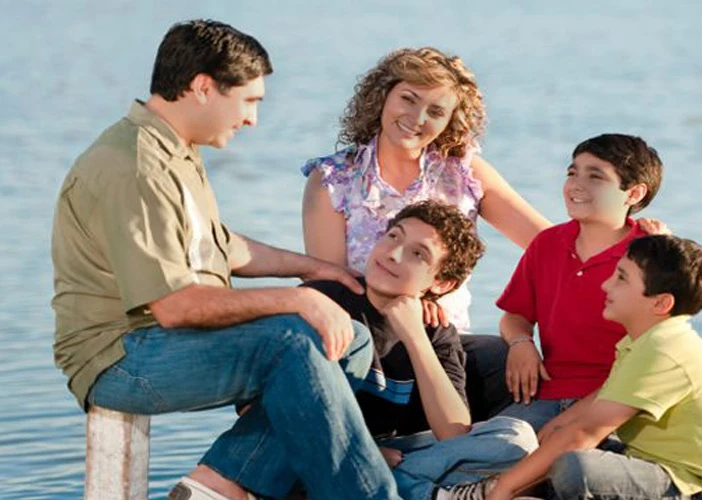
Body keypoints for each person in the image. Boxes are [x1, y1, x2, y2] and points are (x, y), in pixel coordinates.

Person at [50, 19, 399, 500]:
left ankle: (216, 486)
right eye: (249, 100)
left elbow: (219, 245)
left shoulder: (174, 149)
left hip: (157, 340)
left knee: (350, 340)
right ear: (203, 87)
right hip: (120, 357)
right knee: (292, 343)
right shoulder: (136, 165)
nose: (252, 119)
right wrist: (298, 300)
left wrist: (315, 269)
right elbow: (175, 306)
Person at [205, 201, 539, 500]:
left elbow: (452, 432)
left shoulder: (436, 331)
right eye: (393, 236)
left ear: (441, 283)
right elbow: (254, 410)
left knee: (516, 438)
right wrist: (358, 451)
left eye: (417, 254)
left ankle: (394, 487)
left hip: (394, 455)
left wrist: (415, 338)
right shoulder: (325, 300)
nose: (393, 254)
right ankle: (431, 494)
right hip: (317, 448)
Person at [301, 46, 552, 422]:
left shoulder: (465, 174)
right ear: (383, 95)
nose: (417, 118)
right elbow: (330, 283)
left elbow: (549, 245)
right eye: (408, 99)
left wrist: (632, 237)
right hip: (366, 342)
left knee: (504, 362)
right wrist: (409, 299)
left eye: (435, 111)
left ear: (450, 121)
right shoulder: (333, 179)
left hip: (444, 344)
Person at [454, 235, 702, 500]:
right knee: (551, 442)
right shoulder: (642, 341)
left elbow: (584, 432)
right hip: (652, 464)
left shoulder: (665, 350)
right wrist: (554, 430)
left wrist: (504, 488)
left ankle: (496, 491)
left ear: (661, 303)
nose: (605, 284)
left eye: (621, 278)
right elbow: (589, 409)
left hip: (694, 488)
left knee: (575, 467)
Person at [496, 133, 665, 433]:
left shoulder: (651, 252)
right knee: (498, 441)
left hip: (618, 404)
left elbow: (664, 345)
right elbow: (515, 315)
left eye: (595, 177)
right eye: (572, 173)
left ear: (634, 193)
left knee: (558, 455)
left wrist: (669, 255)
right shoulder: (547, 243)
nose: (576, 184)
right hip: (547, 396)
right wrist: (521, 343)